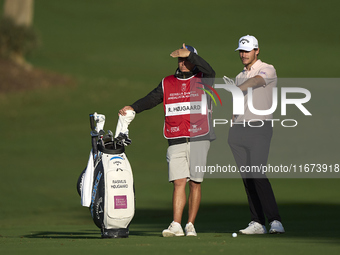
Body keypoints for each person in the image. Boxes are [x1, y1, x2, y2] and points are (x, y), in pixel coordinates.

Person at [119, 43, 216, 237]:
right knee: (178, 182)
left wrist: (190, 54)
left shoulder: (204, 79)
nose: (182, 63)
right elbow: (152, 99)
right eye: (180, 59)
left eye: (186, 59)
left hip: (199, 137)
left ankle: (190, 225)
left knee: (195, 182)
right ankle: (176, 224)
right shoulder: (167, 82)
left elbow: (211, 70)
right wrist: (133, 107)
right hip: (175, 137)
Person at [227, 35, 285, 234]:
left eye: (247, 50)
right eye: (241, 51)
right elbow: (236, 105)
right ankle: (257, 222)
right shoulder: (238, 76)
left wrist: (237, 88)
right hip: (238, 131)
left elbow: (257, 81)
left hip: (260, 128)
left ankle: (275, 220)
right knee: (247, 177)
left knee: (258, 173)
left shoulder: (267, 68)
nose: (243, 55)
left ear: (256, 50)